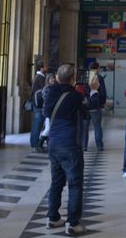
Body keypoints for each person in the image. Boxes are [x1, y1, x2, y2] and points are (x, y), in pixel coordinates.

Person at [45, 63, 93, 236]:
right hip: (70, 144)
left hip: (53, 143)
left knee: (56, 182)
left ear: (58, 77)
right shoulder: (75, 96)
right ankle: (72, 222)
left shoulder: (50, 92)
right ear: (73, 79)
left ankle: (52, 218)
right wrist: (92, 91)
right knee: (74, 184)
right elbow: (87, 113)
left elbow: (47, 112)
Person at [82, 62, 106, 152]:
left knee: (85, 127)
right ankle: (99, 146)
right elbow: (103, 92)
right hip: (96, 106)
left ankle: (84, 146)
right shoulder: (99, 78)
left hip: (85, 105)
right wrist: (102, 102)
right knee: (97, 126)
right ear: (97, 68)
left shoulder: (85, 77)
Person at [30, 62, 48, 152]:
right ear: (41, 68)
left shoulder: (38, 77)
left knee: (36, 123)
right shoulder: (40, 78)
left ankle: (33, 142)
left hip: (36, 103)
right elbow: (45, 89)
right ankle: (35, 143)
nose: (47, 67)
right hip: (38, 104)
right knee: (38, 124)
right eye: (45, 66)